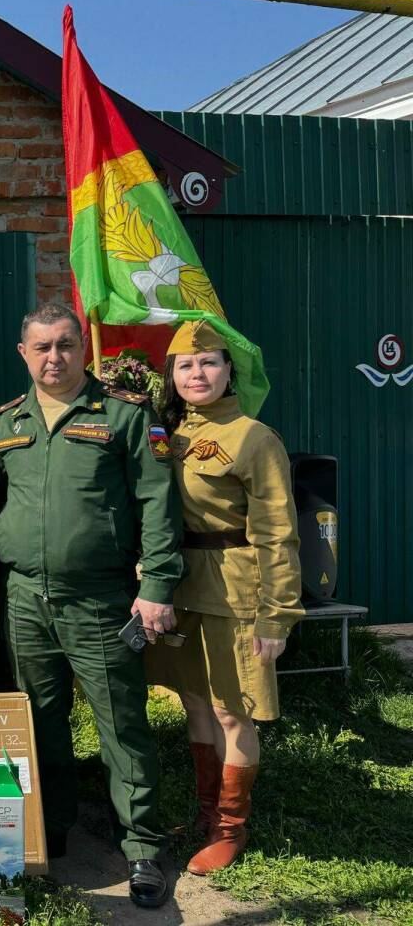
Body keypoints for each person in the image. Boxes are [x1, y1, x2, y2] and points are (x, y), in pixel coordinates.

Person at [0, 302, 184, 909]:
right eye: (42, 347)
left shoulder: (122, 417)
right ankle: (52, 824)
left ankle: (142, 846)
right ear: (23, 353)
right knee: (38, 721)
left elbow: (156, 503)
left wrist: (157, 587)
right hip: (22, 597)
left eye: (66, 345)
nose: (54, 357)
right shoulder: (3, 424)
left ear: (82, 349)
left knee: (121, 724)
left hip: (100, 600)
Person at [145, 320, 303, 876]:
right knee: (193, 703)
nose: (197, 373)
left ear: (230, 369)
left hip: (235, 591)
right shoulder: (165, 431)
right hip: (176, 588)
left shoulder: (253, 438)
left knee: (231, 714)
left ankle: (230, 828)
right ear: (171, 375)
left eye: (209, 361)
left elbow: (278, 531)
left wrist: (276, 614)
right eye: (185, 365)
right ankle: (206, 813)